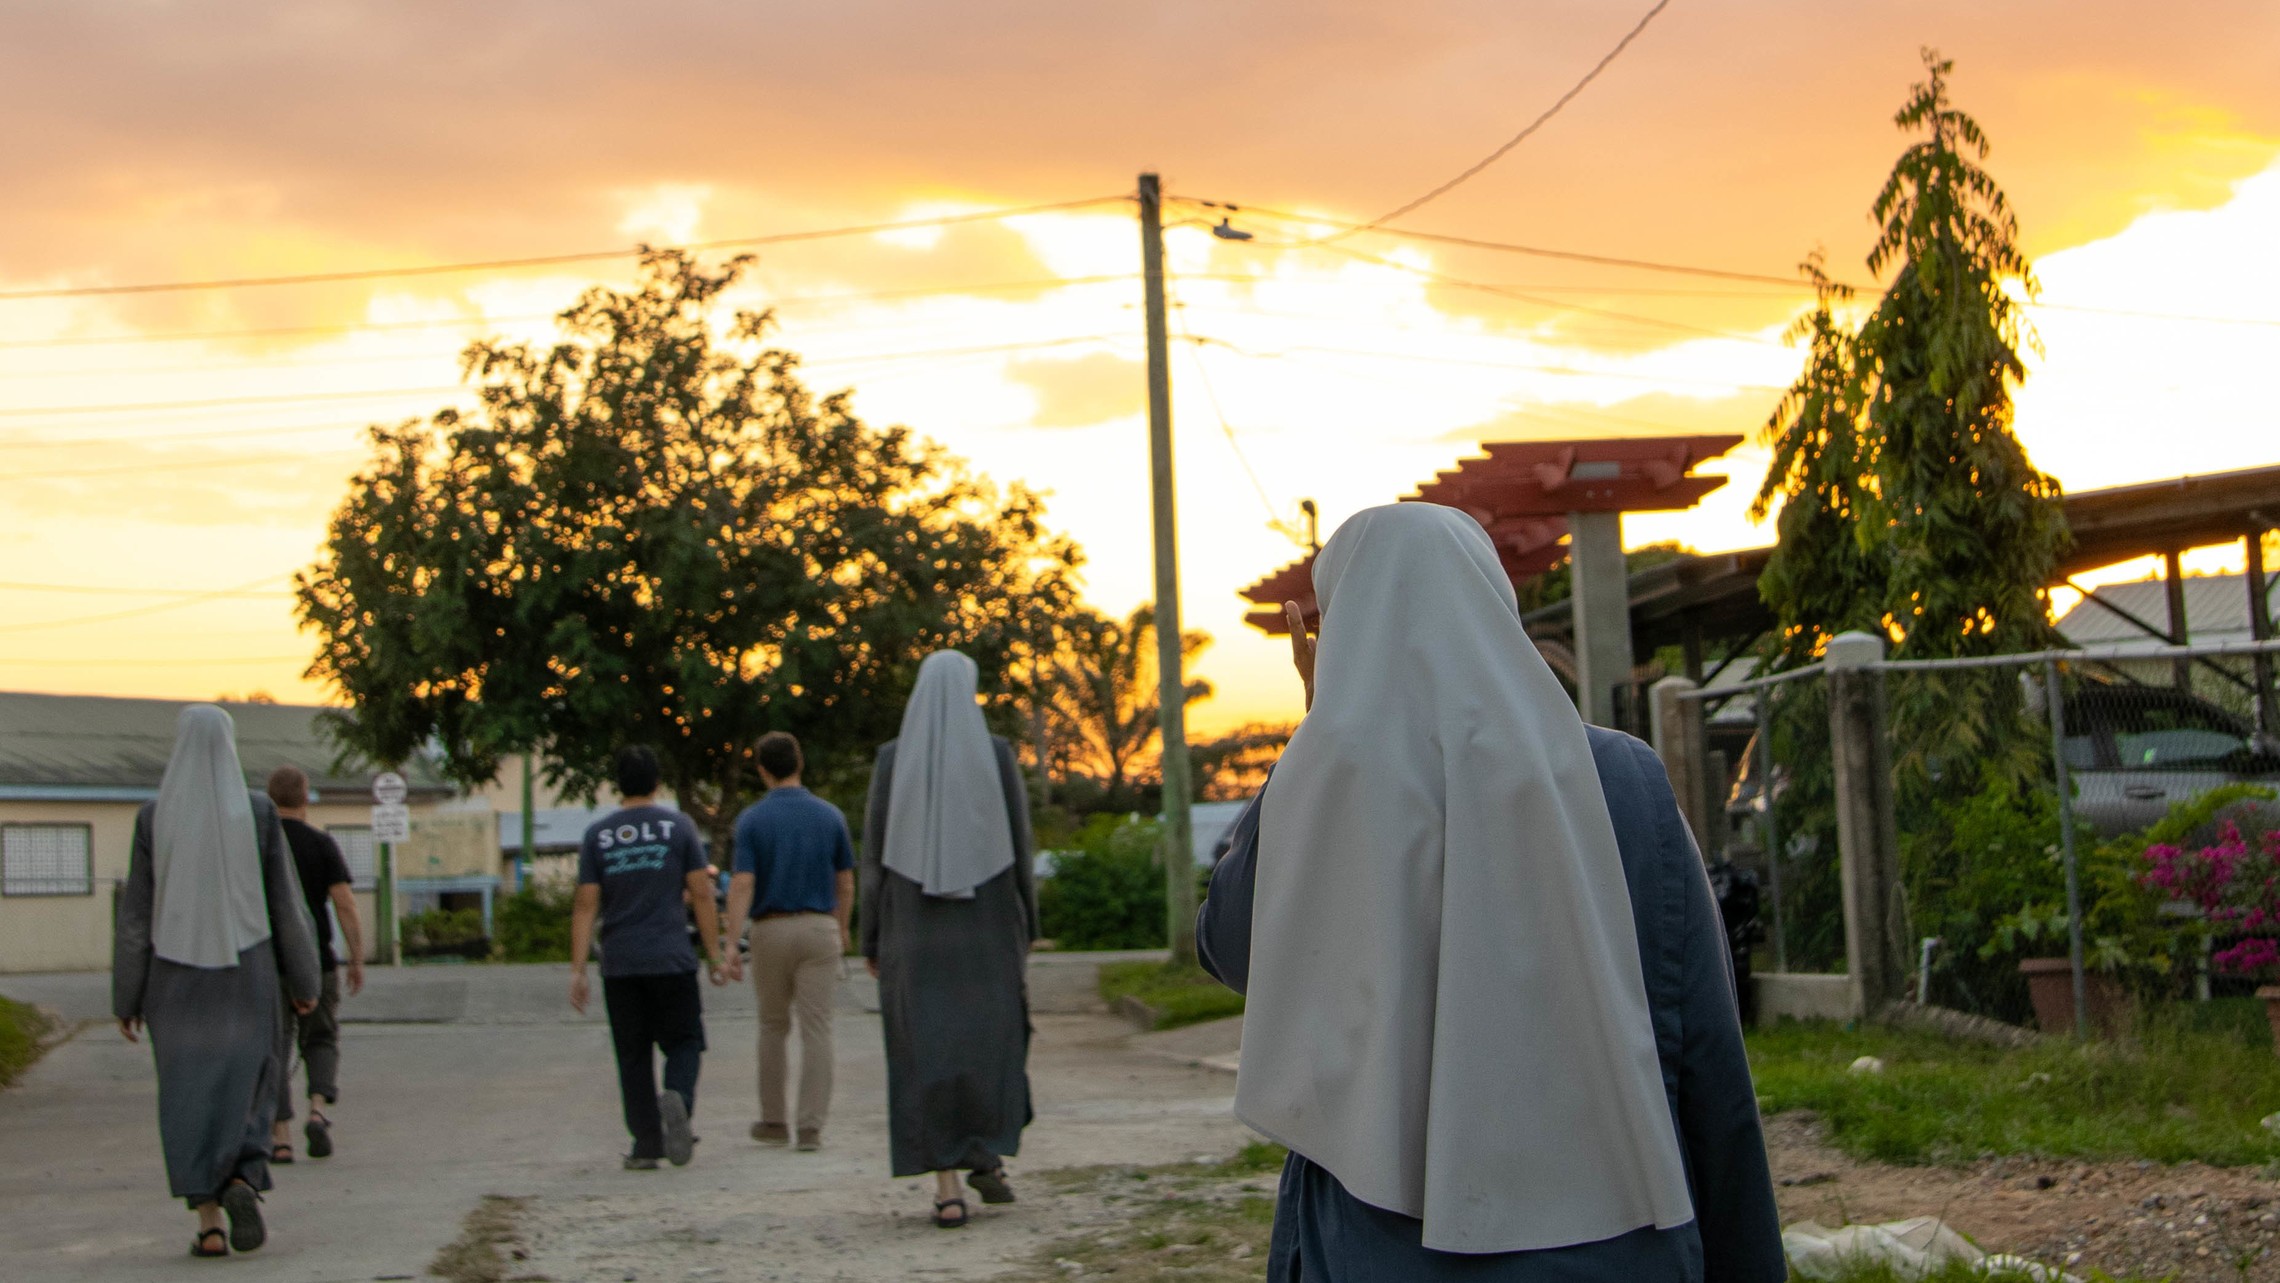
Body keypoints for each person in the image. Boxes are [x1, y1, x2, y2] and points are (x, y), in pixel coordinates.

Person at [1195, 503, 1786, 1282]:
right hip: (1615, 1239)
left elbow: (1231, 950)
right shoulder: (1622, 779)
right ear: (1496, 609)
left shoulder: (1324, 795)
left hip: (1375, 1247)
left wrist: (1317, 738)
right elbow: (1704, 1047)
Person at [112, 705, 322, 1259]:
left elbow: (136, 915)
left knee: (186, 1095)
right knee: (250, 1081)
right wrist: (304, 978)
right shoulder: (257, 813)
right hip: (246, 972)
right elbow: (286, 903)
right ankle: (240, 1179)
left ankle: (209, 1226)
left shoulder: (152, 818)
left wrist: (126, 996)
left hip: (172, 980)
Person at [860, 650, 1038, 1229]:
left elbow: (873, 859)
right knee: (992, 1045)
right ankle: (984, 1152)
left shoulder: (890, 761)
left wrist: (870, 937)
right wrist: (1027, 928)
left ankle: (948, 1186)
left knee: (923, 1050)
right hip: (987, 931)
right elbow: (1020, 846)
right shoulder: (997, 756)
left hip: (911, 932)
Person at [569, 745, 728, 1171]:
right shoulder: (678, 828)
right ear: (658, 783)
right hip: (671, 957)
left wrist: (578, 970)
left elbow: (586, 904)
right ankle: (677, 1096)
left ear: (617, 785)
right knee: (685, 1041)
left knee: (633, 1052)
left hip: (621, 963)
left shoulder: (598, 836)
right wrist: (714, 954)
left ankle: (645, 1143)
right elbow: (700, 892)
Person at [722, 731, 855, 1152]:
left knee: (772, 1025)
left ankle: (774, 1119)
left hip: (771, 927)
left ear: (762, 769)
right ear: (800, 762)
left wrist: (731, 942)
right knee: (818, 1027)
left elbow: (743, 882)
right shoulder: (830, 816)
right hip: (819, 926)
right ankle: (811, 1125)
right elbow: (846, 881)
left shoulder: (752, 820)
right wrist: (843, 925)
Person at [262, 765, 365, 1165]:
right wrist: (356, 957)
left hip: (268, 964)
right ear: (306, 798)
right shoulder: (321, 844)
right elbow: (344, 904)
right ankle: (318, 1110)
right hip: (316, 960)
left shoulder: (259, 847)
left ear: (269, 799)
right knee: (320, 1037)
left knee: (275, 1045)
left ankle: (281, 1136)